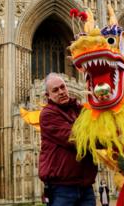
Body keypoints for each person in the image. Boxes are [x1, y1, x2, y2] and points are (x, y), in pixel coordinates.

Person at [39, 73, 98, 206]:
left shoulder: (79, 109)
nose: (61, 92)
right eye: (55, 90)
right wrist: (105, 141)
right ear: (48, 96)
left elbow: (98, 121)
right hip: (62, 188)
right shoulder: (48, 114)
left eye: (62, 87)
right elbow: (74, 138)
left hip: (85, 186)